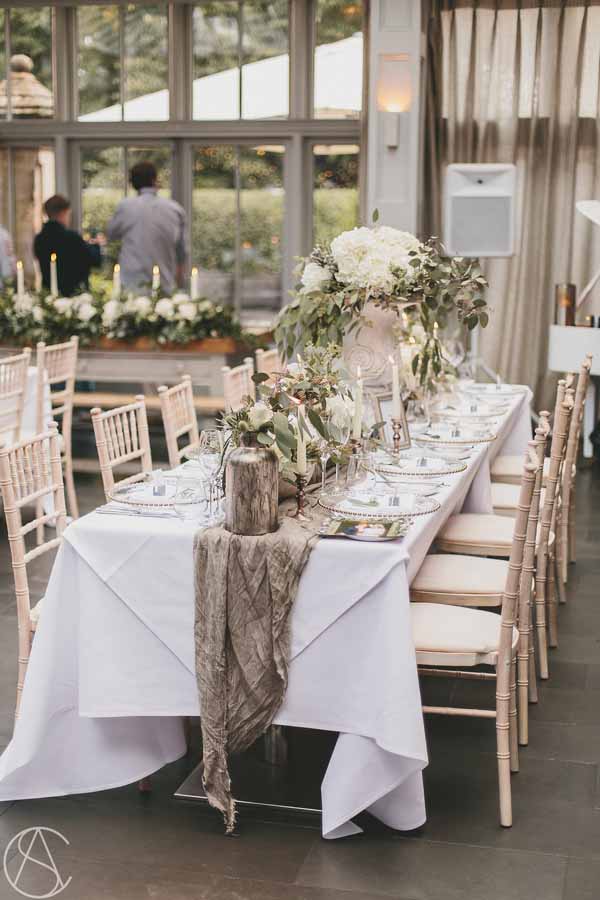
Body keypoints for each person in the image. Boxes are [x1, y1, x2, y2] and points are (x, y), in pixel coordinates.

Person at [106, 162, 188, 295]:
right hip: (164, 283)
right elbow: (182, 252)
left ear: (132, 183)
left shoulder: (125, 207)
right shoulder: (175, 209)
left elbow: (111, 234)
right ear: (154, 180)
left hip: (131, 285)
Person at [34, 195, 101, 296]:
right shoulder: (71, 238)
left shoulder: (39, 239)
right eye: (68, 214)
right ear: (63, 213)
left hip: (49, 294)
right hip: (73, 295)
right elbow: (94, 260)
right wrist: (96, 246)